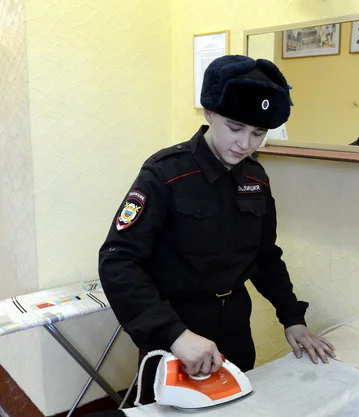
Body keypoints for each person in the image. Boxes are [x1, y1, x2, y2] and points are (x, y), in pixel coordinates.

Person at [97, 55, 335, 404]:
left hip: (236, 328)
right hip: (176, 331)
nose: (245, 144)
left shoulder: (256, 177)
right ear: (209, 113)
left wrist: (292, 317)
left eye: (258, 133)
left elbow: (265, 256)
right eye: (235, 128)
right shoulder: (166, 172)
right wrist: (175, 335)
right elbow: (118, 260)